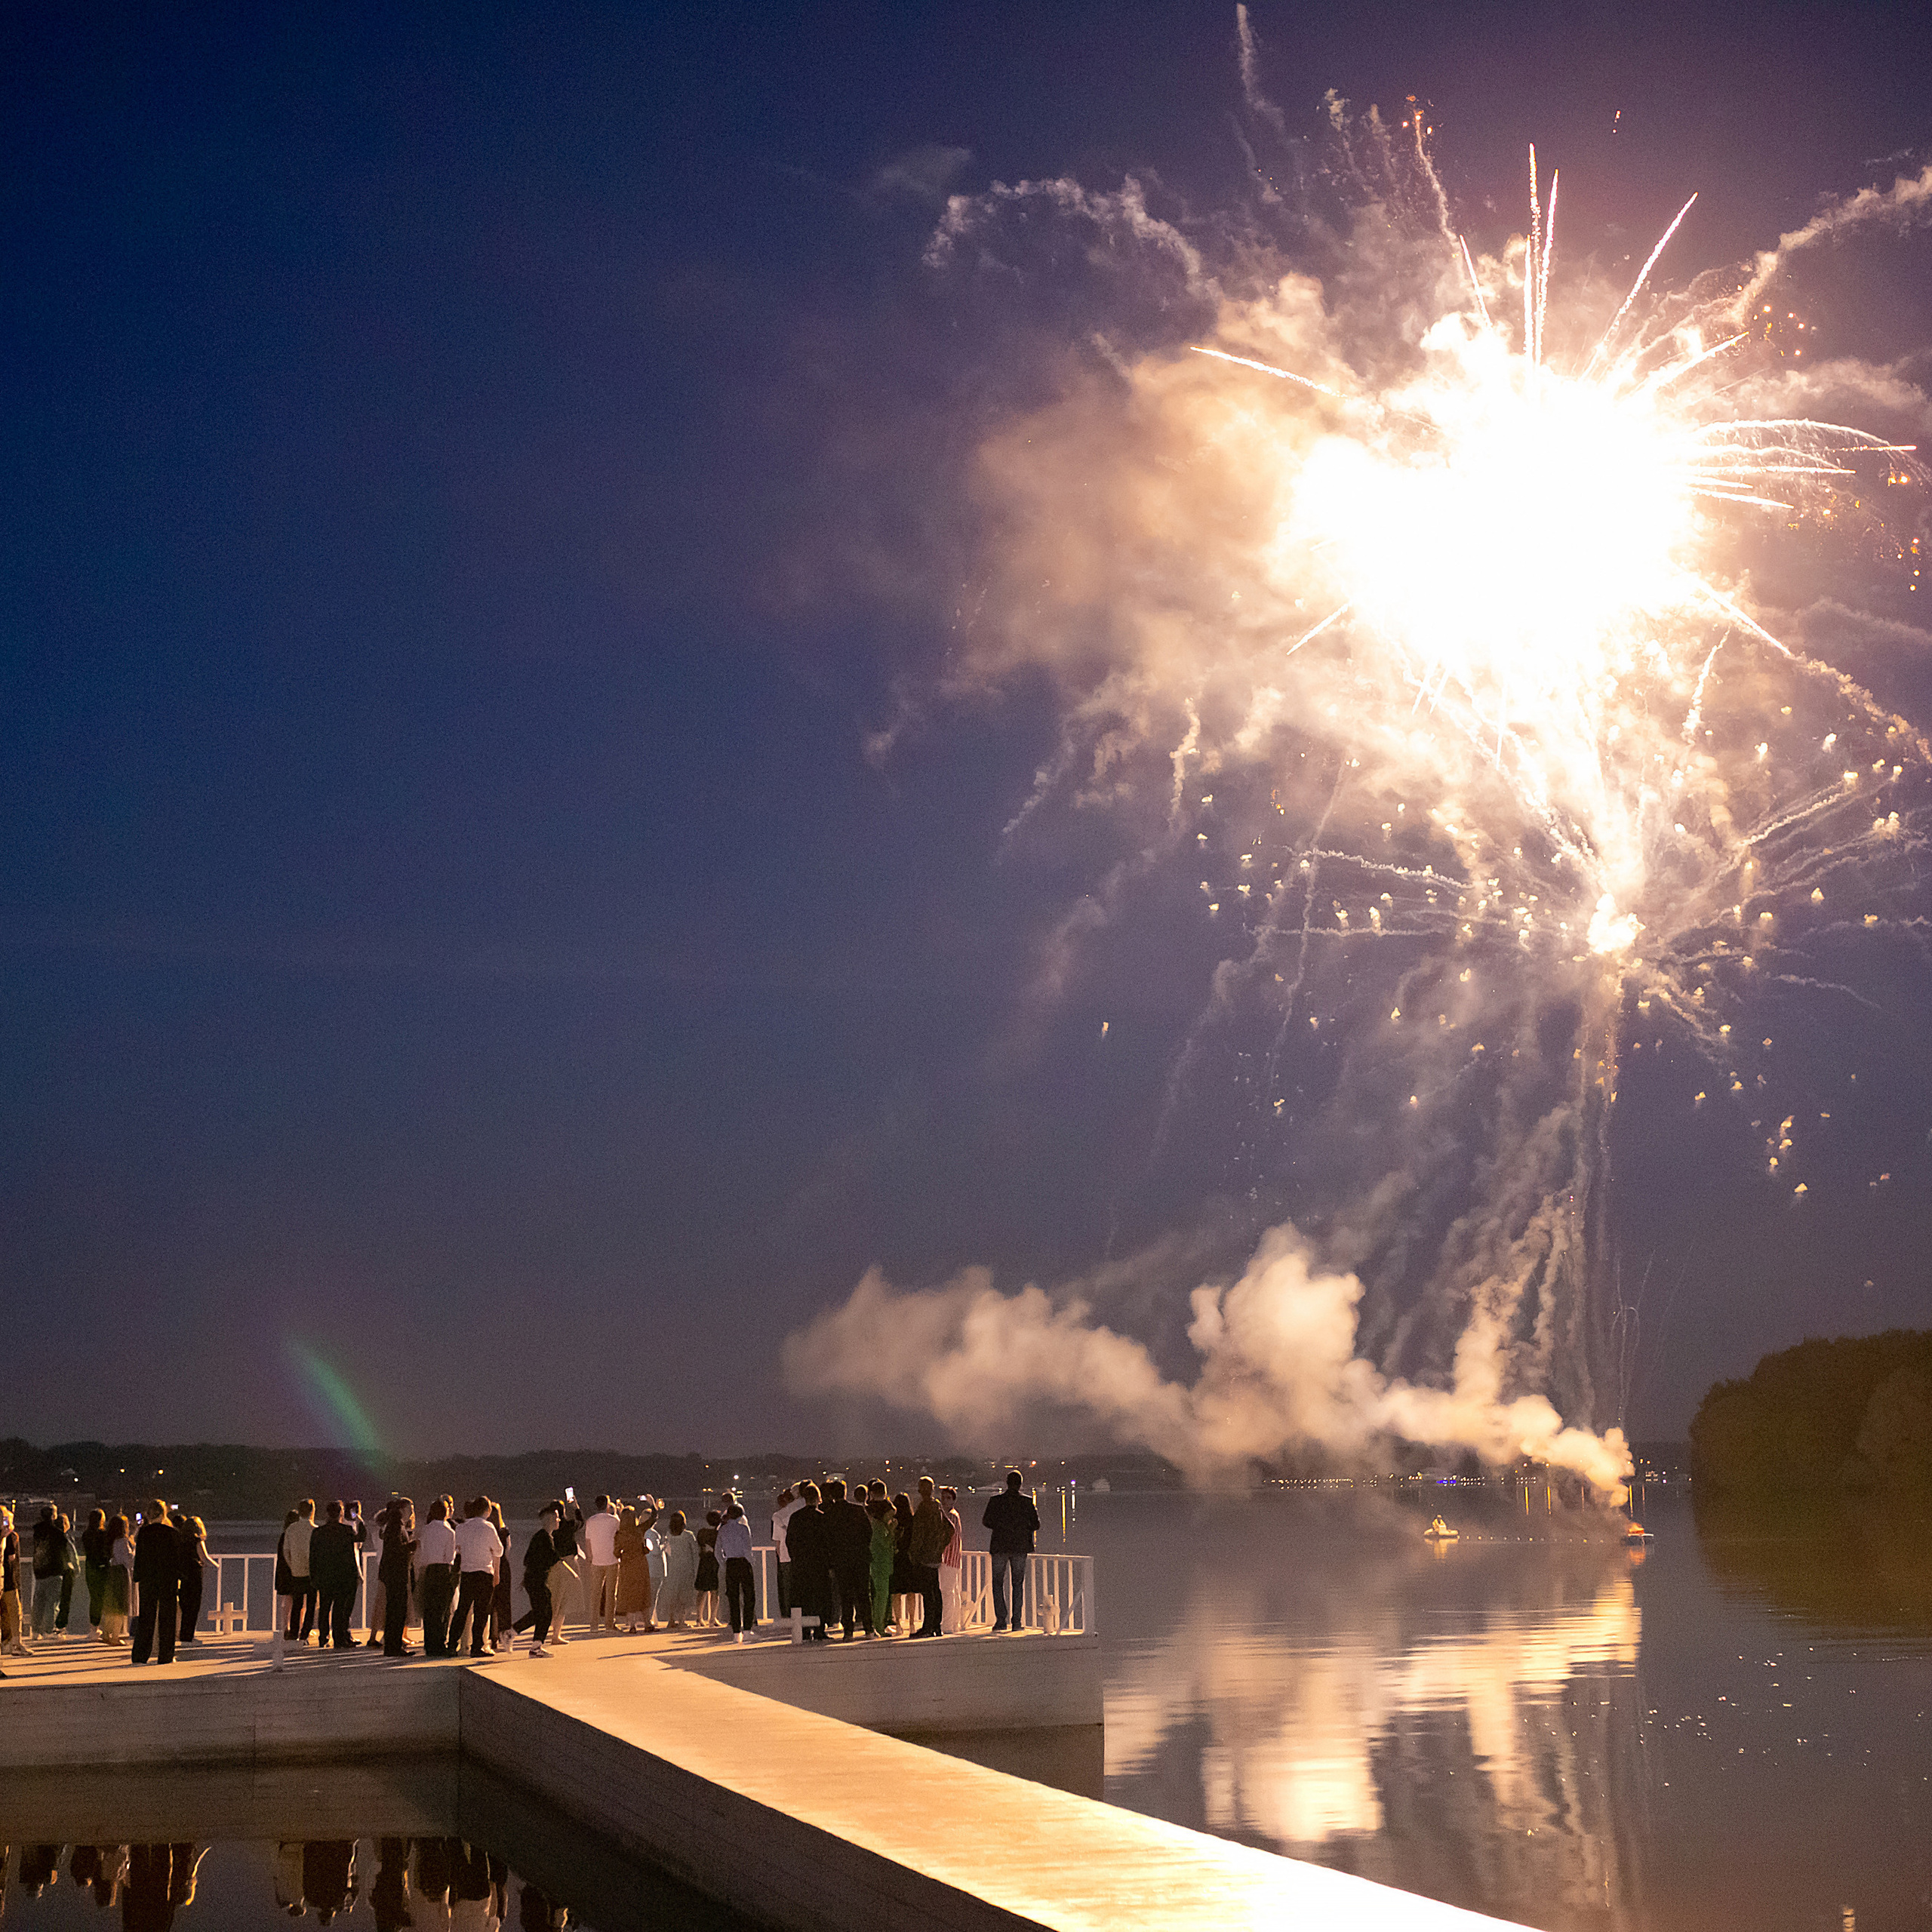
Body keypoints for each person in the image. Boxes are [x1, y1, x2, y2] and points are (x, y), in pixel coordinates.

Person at [982, 1468, 1040, 1632]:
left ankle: (1001, 1620)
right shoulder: (1027, 1502)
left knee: (998, 1583)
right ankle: (1016, 1622)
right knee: (1017, 1585)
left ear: (1007, 1483)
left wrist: (1000, 1527)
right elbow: (1036, 1525)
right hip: (1020, 1548)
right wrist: (1022, 1528)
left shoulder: (996, 1501)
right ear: (1020, 1484)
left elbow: (986, 1521)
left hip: (1000, 1546)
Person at [450, 1496, 504, 1658]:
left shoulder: (461, 1528)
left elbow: (456, 1548)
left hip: (467, 1573)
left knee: (462, 1610)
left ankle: (452, 1644)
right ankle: (477, 1647)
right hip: (484, 1573)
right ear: (487, 1510)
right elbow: (499, 1550)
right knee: (481, 1612)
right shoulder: (488, 1527)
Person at [821, 1478, 874, 1641]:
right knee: (864, 1595)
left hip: (840, 1560)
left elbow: (827, 1540)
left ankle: (848, 1631)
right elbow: (868, 1533)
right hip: (860, 1559)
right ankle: (869, 1629)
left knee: (846, 1596)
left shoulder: (828, 1514)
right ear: (846, 1492)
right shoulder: (858, 1510)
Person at [130, 1500, 181, 1665]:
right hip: (167, 1579)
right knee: (167, 1618)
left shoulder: (143, 1533)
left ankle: (140, 1655)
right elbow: (176, 1559)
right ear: (164, 1513)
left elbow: (140, 1557)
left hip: (148, 1579)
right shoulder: (171, 1533)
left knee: (146, 1617)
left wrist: (137, 1576)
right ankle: (166, 1655)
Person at [309, 1501, 362, 1650]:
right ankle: (339, 1639)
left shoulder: (318, 1532)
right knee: (339, 1609)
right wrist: (359, 1519)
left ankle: (323, 1638)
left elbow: (313, 1556)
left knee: (324, 1609)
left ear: (327, 1513)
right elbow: (354, 1550)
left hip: (324, 1576)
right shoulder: (346, 1530)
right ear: (341, 1513)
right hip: (342, 1577)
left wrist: (314, 1577)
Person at [783, 1481, 830, 1640]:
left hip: (800, 1564)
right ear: (818, 1498)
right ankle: (820, 1630)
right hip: (819, 1565)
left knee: (802, 1597)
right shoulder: (822, 1518)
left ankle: (803, 1631)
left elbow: (789, 1541)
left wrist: (795, 1558)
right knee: (820, 1597)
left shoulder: (795, 1518)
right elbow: (828, 1543)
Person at [905, 1475, 950, 1638]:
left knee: (928, 1592)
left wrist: (914, 1554)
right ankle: (936, 1626)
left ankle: (927, 1627)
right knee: (935, 1591)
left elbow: (918, 1535)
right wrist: (940, 1547)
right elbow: (950, 1529)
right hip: (935, 1557)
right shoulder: (937, 1507)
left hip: (925, 1557)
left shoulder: (924, 1508)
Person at [414, 1498, 460, 1657]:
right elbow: (450, 1557)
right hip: (444, 1570)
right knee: (442, 1610)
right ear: (446, 1512)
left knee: (430, 1610)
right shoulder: (449, 1532)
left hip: (429, 1570)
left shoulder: (425, 1530)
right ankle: (440, 1644)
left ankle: (429, 1644)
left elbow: (424, 1550)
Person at [518, 1503, 565, 1656]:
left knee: (541, 1612)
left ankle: (517, 1635)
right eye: (557, 1518)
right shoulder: (544, 1537)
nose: (559, 1521)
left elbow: (528, 1559)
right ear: (551, 1520)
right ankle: (534, 1646)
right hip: (536, 1580)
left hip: (536, 1579)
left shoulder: (542, 1536)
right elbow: (552, 1558)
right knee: (545, 1612)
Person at [378, 1499, 416, 1656]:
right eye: (410, 1509)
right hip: (396, 1574)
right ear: (402, 1509)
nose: (412, 1512)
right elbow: (396, 1549)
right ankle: (394, 1646)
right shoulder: (396, 1525)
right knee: (397, 1610)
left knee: (394, 1610)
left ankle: (393, 1645)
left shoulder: (393, 1524)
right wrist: (412, 1546)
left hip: (392, 1573)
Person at [716, 1500, 756, 1641]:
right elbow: (747, 1548)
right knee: (749, 1596)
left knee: (733, 1598)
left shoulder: (722, 1530)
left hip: (730, 1563)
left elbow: (717, 1551)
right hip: (743, 1563)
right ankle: (747, 1630)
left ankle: (735, 1632)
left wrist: (724, 1563)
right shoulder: (743, 1529)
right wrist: (751, 1562)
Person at [581, 1494, 621, 1633]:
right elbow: (619, 1534)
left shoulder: (591, 1521)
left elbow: (588, 1541)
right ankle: (609, 1624)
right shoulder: (614, 1520)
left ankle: (594, 1625)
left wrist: (589, 1557)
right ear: (607, 1505)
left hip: (596, 1561)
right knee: (611, 1594)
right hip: (612, 1559)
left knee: (595, 1594)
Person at [30, 1504, 71, 1638]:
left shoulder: (37, 1531)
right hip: (54, 1571)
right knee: (52, 1603)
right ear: (53, 1515)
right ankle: (49, 1629)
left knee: (39, 1602)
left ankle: (35, 1631)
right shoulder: (57, 1533)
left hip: (39, 1571)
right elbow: (64, 1553)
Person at [613, 1506, 653, 1633]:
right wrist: (652, 1505)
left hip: (627, 1566)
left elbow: (616, 1552)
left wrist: (623, 1554)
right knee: (643, 1593)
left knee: (630, 1595)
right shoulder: (639, 1531)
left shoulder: (620, 1534)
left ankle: (632, 1626)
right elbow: (652, 1520)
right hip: (640, 1564)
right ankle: (647, 1624)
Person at [657, 1509, 699, 1627]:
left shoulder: (668, 1536)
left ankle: (671, 1620)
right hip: (686, 1570)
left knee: (672, 1595)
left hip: (671, 1570)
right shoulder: (688, 1535)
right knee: (684, 1595)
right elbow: (695, 1553)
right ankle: (681, 1620)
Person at [284, 1498, 318, 1644]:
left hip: (296, 1572)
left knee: (297, 1605)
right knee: (310, 1605)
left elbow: (286, 1551)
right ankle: (304, 1634)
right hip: (312, 1573)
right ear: (312, 1511)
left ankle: (293, 1634)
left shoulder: (291, 1529)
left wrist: (293, 1566)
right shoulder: (315, 1530)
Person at [176, 1515, 211, 1646]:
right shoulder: (197, 1541)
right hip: (195, 1574)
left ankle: (184, 1635)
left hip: (183, 1575)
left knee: (185, 1605)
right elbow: (204, 1558)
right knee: (193, 1606)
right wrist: (216, 1565)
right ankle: (189, 1636)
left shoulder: (181, 1540)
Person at [770, 1486, 801, 1620]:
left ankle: (788, 1615)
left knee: (787, 1587)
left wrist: (780, 1554)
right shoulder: (797, 1513)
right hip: (798, 1555)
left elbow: (777, 1541)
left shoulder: (779, 1516)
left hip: (785, 1555)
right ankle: (800, 1614)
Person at [488, 1499, 515, 1652]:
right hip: (504, 1567)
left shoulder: (486, 1530)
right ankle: (504, 1636)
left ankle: (490, 1638)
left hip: (490, 1566)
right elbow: (508, 1549)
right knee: (504, 1604)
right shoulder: (504, 1531)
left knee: (489, 1604)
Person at [889, 1492, 918, 1634]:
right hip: (909, 1559)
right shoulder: (913, 1521)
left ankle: (899, 1625)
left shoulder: (893, 1521)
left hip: (897, 1558)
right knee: (911, 1593)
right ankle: (912, 1624)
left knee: (896, 1594)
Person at [866, 1496, 895, 1637]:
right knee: (881, 1597)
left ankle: (877, 1623)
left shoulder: (875, 1525)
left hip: (879, 1564)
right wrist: (891, 1530)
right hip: (880, 1565)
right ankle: (879, 1625)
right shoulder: (878, 1526)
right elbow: (885, 1543)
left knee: (878, 1597)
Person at [103, 1512, 134, 1644]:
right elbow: (129, 1559)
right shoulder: (123, 1541)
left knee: (110, 1605)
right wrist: (134, 1547)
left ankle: (106, 1633)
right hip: (121, 1573)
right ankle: (115, 1636)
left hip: (110, 1573)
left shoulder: (108, 1540)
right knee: (121, 1606)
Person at [81, 1507, 112, 1637]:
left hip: (90, 1568)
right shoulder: (103, 1534)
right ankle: (106, 1628)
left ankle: (93, 1628)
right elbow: (107, 1551)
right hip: (103, 1568)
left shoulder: (86, 1534)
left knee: (95, 1598)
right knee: (105, 1598)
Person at [938, 1485, 964, 1633]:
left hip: (948, 1559)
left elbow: (946, 1537)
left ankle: (948, 1625)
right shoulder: (950, 1514)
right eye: (943, 1498)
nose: (944, 1501)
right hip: (952, 1560)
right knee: (952, 1592)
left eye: (948, 1498)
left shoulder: (951, 1516)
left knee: (947, 1593)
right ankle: (954, 1623)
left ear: (953, 1500)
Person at [0, 1505, 25, 1656]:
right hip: (8, 1580)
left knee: (5, 1613)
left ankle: (7, 1643)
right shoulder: (10, 1537)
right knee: (14, 1611)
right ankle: (15, 1643)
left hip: (4, 1579)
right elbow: (11, 1558)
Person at [274, 1507, 300, 1646]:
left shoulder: (284, 1535)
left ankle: (284, 1627)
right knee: (299, 1601)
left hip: (283, 1571)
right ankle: (299, 1627)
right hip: (294, 1570)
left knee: (286, 1600)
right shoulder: (294, 1535)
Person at [694, 1510, 722, 1628]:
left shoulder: (701, 1533)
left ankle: (699, 1618)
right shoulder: (718, 1534)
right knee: (715, 1591)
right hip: (715, 1563)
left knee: (702, 1591)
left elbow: (699, 1548)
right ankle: (713, 1618)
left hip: (703, 1563)